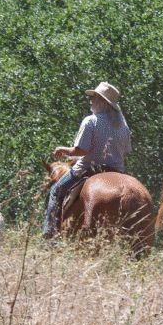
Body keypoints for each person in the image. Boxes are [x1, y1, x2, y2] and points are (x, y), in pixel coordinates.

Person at [42, 81, 132, 239]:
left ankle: (50, 236)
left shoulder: (91, 120)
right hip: (117, 173)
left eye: (94, 97)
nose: (91, 101)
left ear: (100, 101)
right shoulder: (123, 127)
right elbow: (124, 154)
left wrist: (63, 150)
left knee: (55, 192)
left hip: (88, 170)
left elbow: (81, 150)